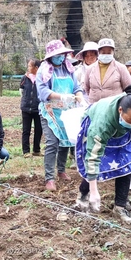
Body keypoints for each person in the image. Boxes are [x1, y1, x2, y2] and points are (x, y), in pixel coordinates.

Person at [75, 86, 131, 224]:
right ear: (120, 111)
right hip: (96, 122)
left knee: (126, 162)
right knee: (99, 163)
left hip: (121, 130)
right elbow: (93, 156)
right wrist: (94, 191)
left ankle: (120, 206)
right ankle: (83, 194)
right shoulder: (101, 125)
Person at [36, 39, 84, 191]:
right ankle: (49, 178)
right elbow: (43, 92)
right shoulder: (44, 70)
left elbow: (76, 87)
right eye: (58, 55)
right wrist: (61, 96)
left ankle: (61, 170)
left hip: (67, 111)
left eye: (63, 54)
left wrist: (80, 98)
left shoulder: (68, 69)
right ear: (50, 56)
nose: (61, 57)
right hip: (49, 110)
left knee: (65, 141)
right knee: (52, 142)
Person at [83, 38, 131, 104]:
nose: (106, 55)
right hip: (94, 107)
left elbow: (130, 89)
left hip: (114, 108)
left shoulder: (121, 68)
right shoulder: (90, 69)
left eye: (109, 52)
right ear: (99, 52)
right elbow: (87, 88)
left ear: (113, 52)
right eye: (103, 52)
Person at [20, 59, 43, 158]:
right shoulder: (24, 78)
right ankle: (26, 151)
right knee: (26, 130)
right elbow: (21, 91)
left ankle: (36, 150)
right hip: (26, 109)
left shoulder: (42, 78)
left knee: (39, 129)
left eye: (30, 66)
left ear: (36, 68)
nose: (28, 68)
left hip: (38, 109)